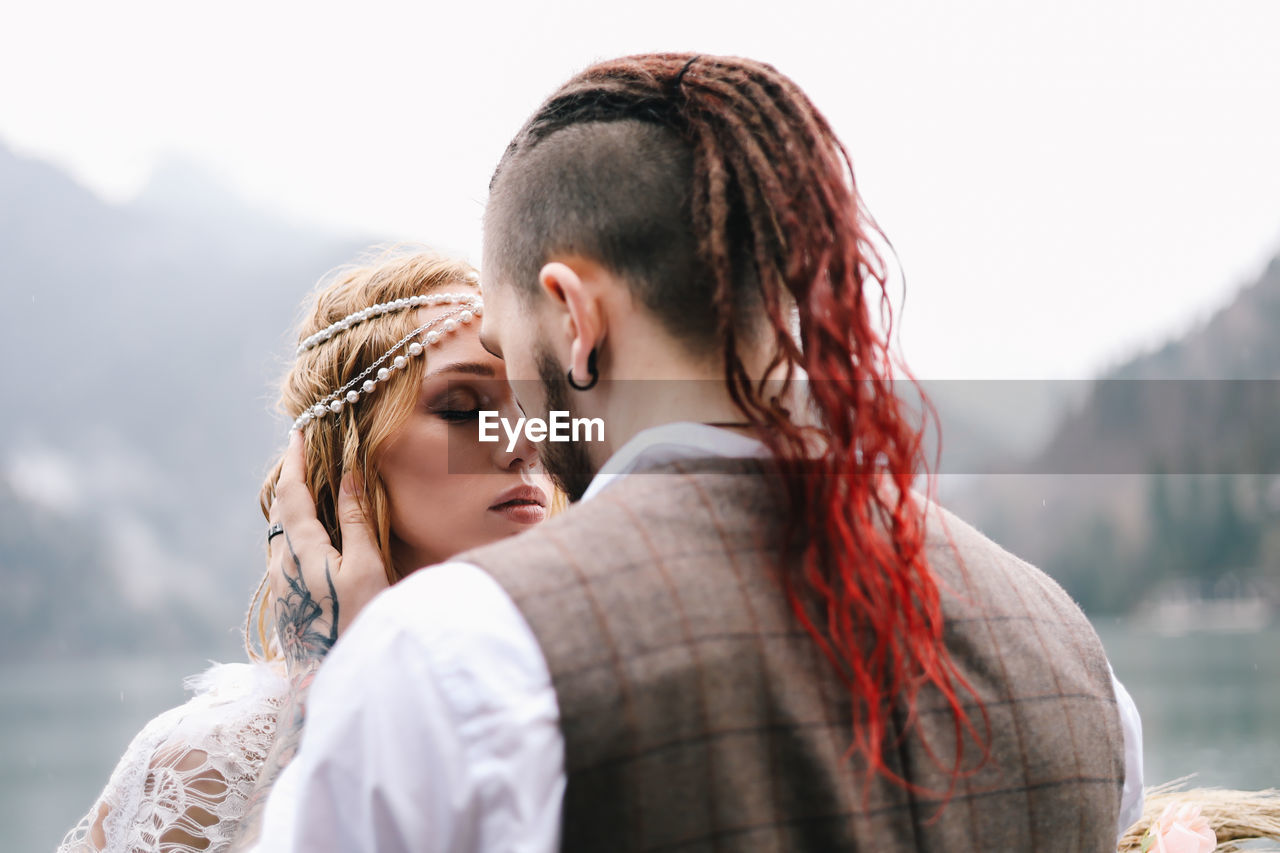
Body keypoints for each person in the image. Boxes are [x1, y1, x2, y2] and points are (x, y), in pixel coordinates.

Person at [239, 54, 1143, 851]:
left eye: (512, 351)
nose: (521, 432)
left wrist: (332, 661)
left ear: (573, 316)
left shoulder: (455, 659)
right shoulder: (1072, 652)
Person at [57, 250, 555, 852]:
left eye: (539, 406)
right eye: (462, 409)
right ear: (352, 454)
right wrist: (330, 688)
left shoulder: (576, 695)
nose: (526, 444)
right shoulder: (211, 760)